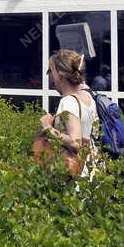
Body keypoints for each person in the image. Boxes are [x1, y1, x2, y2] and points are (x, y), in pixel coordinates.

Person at [38, 49, 99, 179]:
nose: (50, 77)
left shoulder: (68, 102)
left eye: (51, 71)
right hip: (91, 169)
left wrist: (47, 128)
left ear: (59, 74)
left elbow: (76, 143)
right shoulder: (88, 97)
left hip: (74, 173)